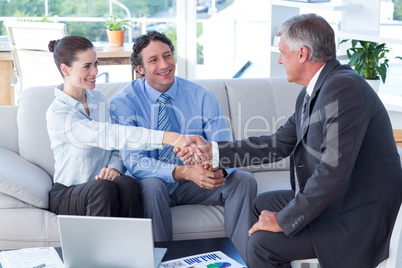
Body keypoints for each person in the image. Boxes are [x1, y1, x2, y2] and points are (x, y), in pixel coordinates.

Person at [178, 14, 402, 268]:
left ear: (302, 54)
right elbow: (277, 144)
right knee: (261, 204)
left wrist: (284, 220)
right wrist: (212, 151)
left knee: (262, 244)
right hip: (340, 201)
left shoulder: (343, 90)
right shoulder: (316, 91)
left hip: (356, 215)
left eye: (283, 52)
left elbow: (333, 172)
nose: (279, 59)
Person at [109, 31, 257, 260]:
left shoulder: (202, 96)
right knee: (151, 186)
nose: (164, 64)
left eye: (167, 56)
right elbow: (134, 161)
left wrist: (214, 166)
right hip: (155, 182)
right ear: (140, 69)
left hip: (196, 182)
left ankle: (243, 260)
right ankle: (162, 263)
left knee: (243, 180)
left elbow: (224, 145)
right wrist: (183, 172)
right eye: (154, 60)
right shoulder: (124, 103)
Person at [46, 35, 197, 218]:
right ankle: (101, 247)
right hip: (68, 193)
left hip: (103, 188)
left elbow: (117, 148)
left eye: (96, 64)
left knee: (126, 183)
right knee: (102, 188)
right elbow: (107, 135)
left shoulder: (98, 98)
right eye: (87, 66)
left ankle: (135, 245)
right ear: (65, 69)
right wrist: (167, 137)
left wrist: (115, 167)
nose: (95, 72)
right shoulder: (59, 114)